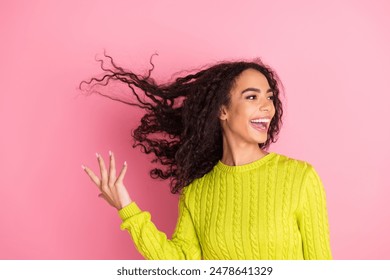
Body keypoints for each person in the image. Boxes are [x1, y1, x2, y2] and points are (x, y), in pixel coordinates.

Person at [80, 54, 332, 260]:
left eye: (269, 97)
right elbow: (181, 265)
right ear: (222, 110)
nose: (268, 106)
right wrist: (127, 208)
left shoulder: (300, 178)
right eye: (252, 97)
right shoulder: (197, 192)